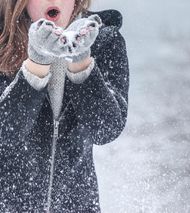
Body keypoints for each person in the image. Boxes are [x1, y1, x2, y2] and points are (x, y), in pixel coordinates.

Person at [0, 0, 129, 212]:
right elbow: (5, 132)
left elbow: (106, 129)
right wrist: (37, 64)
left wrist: (81, 64)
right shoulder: (3, 40)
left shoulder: (105, 41)